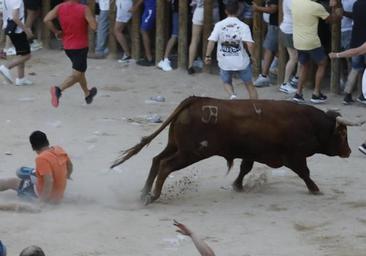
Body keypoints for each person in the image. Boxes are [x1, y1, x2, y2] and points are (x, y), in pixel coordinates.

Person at [44, 0, 98, 108]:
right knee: (77, 74)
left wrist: (56, 31)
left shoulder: (59, 7)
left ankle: (88, 94)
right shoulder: (84, 9)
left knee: (80, 72)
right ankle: (58, 90)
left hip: (67, 46)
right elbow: (94, 27)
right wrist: (94, 19)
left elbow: (46, 19)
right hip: (81, 46)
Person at [0, 131, 73, 204]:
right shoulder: (59, 149)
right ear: (47, 141)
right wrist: (67, 176)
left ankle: (29, 189)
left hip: (46, 196)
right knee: (22, 172)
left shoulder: (42, 158)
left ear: (33, 147)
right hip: (59, 194)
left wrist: (41, 201)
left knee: (12, 181)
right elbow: (70, 166)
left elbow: (49, 181)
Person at [291, 0, 343, 103]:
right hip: (311, 41)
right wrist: (336, 9)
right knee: (323, 63)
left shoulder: (295, 2)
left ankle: (298, 93)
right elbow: (332, 20)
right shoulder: (316, 6)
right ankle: (316, 93)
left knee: (304, 65)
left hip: (298, 40)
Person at [205, 0, 258, 99]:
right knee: (250, 85)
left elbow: (211, 41)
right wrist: (252, 56)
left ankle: (232, 96)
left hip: (225, 61)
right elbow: (250, 44)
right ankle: (255, 107)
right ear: (238, 11)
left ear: (225, 11)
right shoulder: (244, 26)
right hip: (241, 61)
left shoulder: (219, 25)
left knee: (226, 82)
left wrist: (208, 56)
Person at [0, 0, 33, 86]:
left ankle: (21, 78)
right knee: (27, 55)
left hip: (10, 27)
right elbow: (15, 17)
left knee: (22, 54)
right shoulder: (17, 0)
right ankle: (6, 67)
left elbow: (4, 13)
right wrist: (26, 29)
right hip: (17, 30)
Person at [340, 0, 366, 104]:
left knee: (355, 69)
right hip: (364, 42)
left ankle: (347, 95)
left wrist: (344, 13)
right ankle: (362, 96)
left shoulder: (356, 4)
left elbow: (354, 16)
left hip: (355, 41)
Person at [187, 0, 219, 74]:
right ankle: (209, 64)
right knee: (214, 38)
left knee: (194, 39)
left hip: (200, 10)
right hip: (214, 10)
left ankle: (190, 66)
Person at [252, 0, 278, 87]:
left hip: (276, 25)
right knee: (273, 48)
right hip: (274, 24)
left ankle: (264, 75)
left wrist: (257, 8)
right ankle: (272, 69)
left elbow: (273, 9)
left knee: (269, 49)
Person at [278, 0, 300, 94]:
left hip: (291, 30)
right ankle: (285, 83)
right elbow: (298, 12)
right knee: (294, 57)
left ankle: (296, 78)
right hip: (289, 30)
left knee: (299, 55)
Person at [130, 0, 156, 66]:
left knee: (144, 31)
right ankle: (148, 55)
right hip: (148, 8)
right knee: (146, 31)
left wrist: (135, 7)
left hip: (150, 8)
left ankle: (149, 58)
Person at [157, 0, 179, 71]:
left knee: (177, 36)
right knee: (174, 36)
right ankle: (165, 59)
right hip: (178, 11)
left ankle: (164, 60)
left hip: (180, 11)